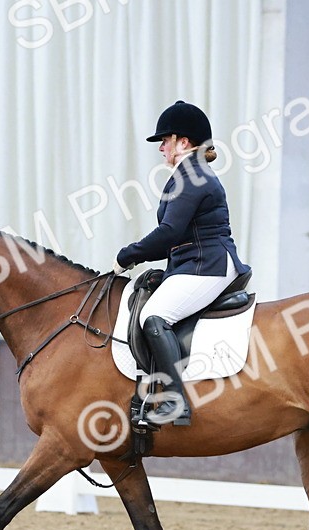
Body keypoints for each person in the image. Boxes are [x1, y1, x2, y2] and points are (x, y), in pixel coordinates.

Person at [115, 100, 251, 427]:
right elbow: (180, 238)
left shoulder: (192, 176)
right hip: (197, 263)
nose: (161, 148)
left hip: (209, 265)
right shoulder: (189, 175)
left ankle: (174, 402)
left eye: (165, 140)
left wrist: (128, 255)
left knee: (154, 316)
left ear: (184, 142)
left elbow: (169, 232)